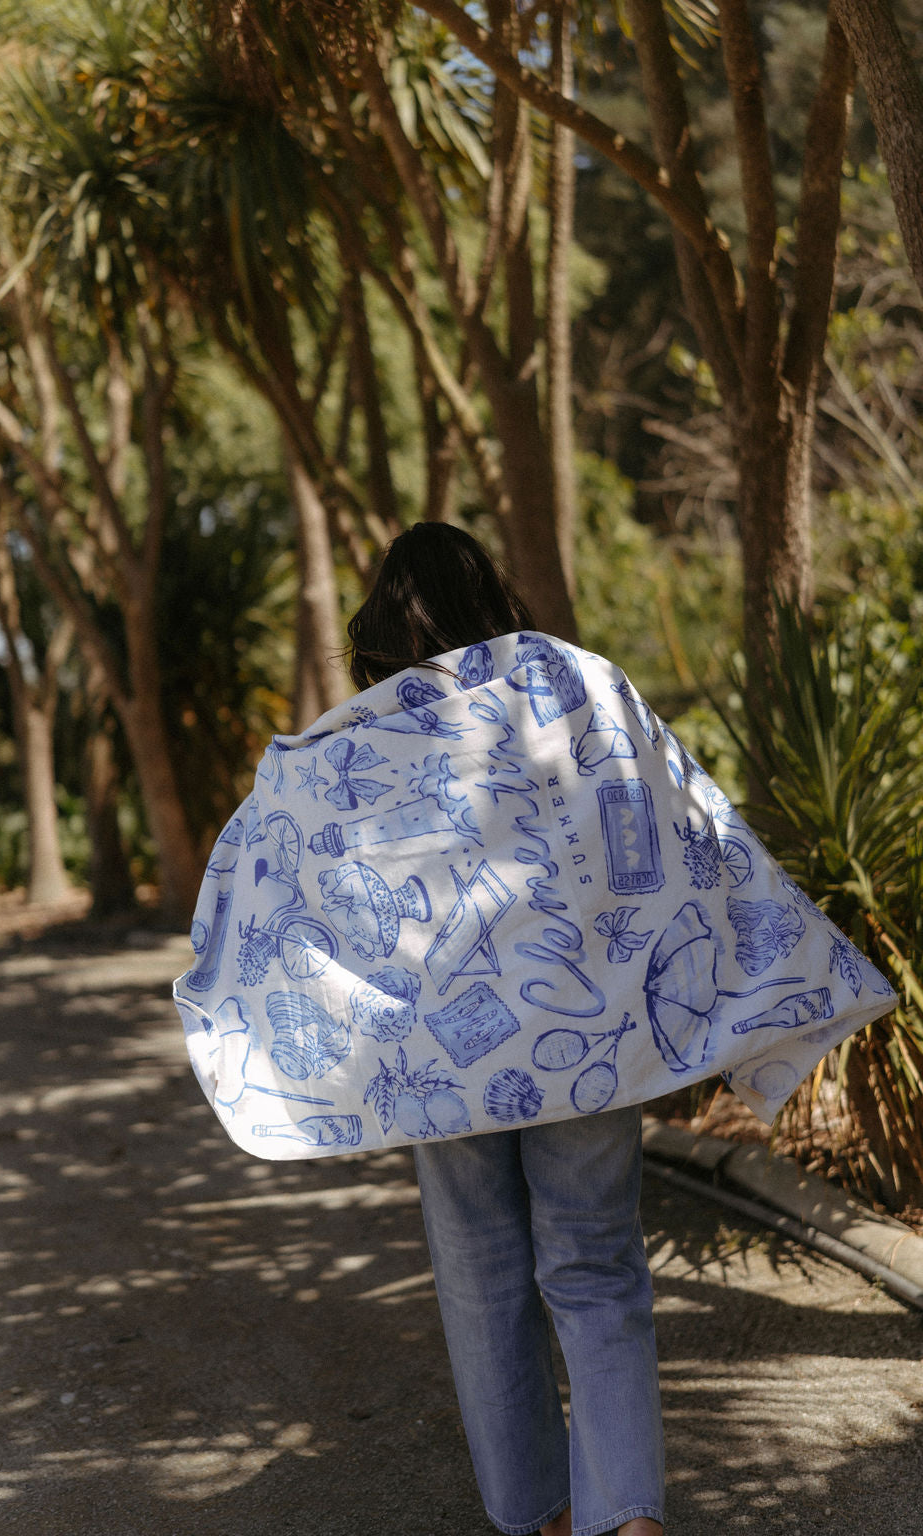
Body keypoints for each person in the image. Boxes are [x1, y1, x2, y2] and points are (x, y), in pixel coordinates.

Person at [345, 522, 665, 1536]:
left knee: (481, 1274)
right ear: (497, 597)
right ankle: (632, 1518)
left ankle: (544, 1518)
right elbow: (654, 830)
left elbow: (337, 899)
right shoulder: (576, 687)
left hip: (448, 1053)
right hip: (587, 1033)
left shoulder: (363, 738)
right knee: (594, 1261)